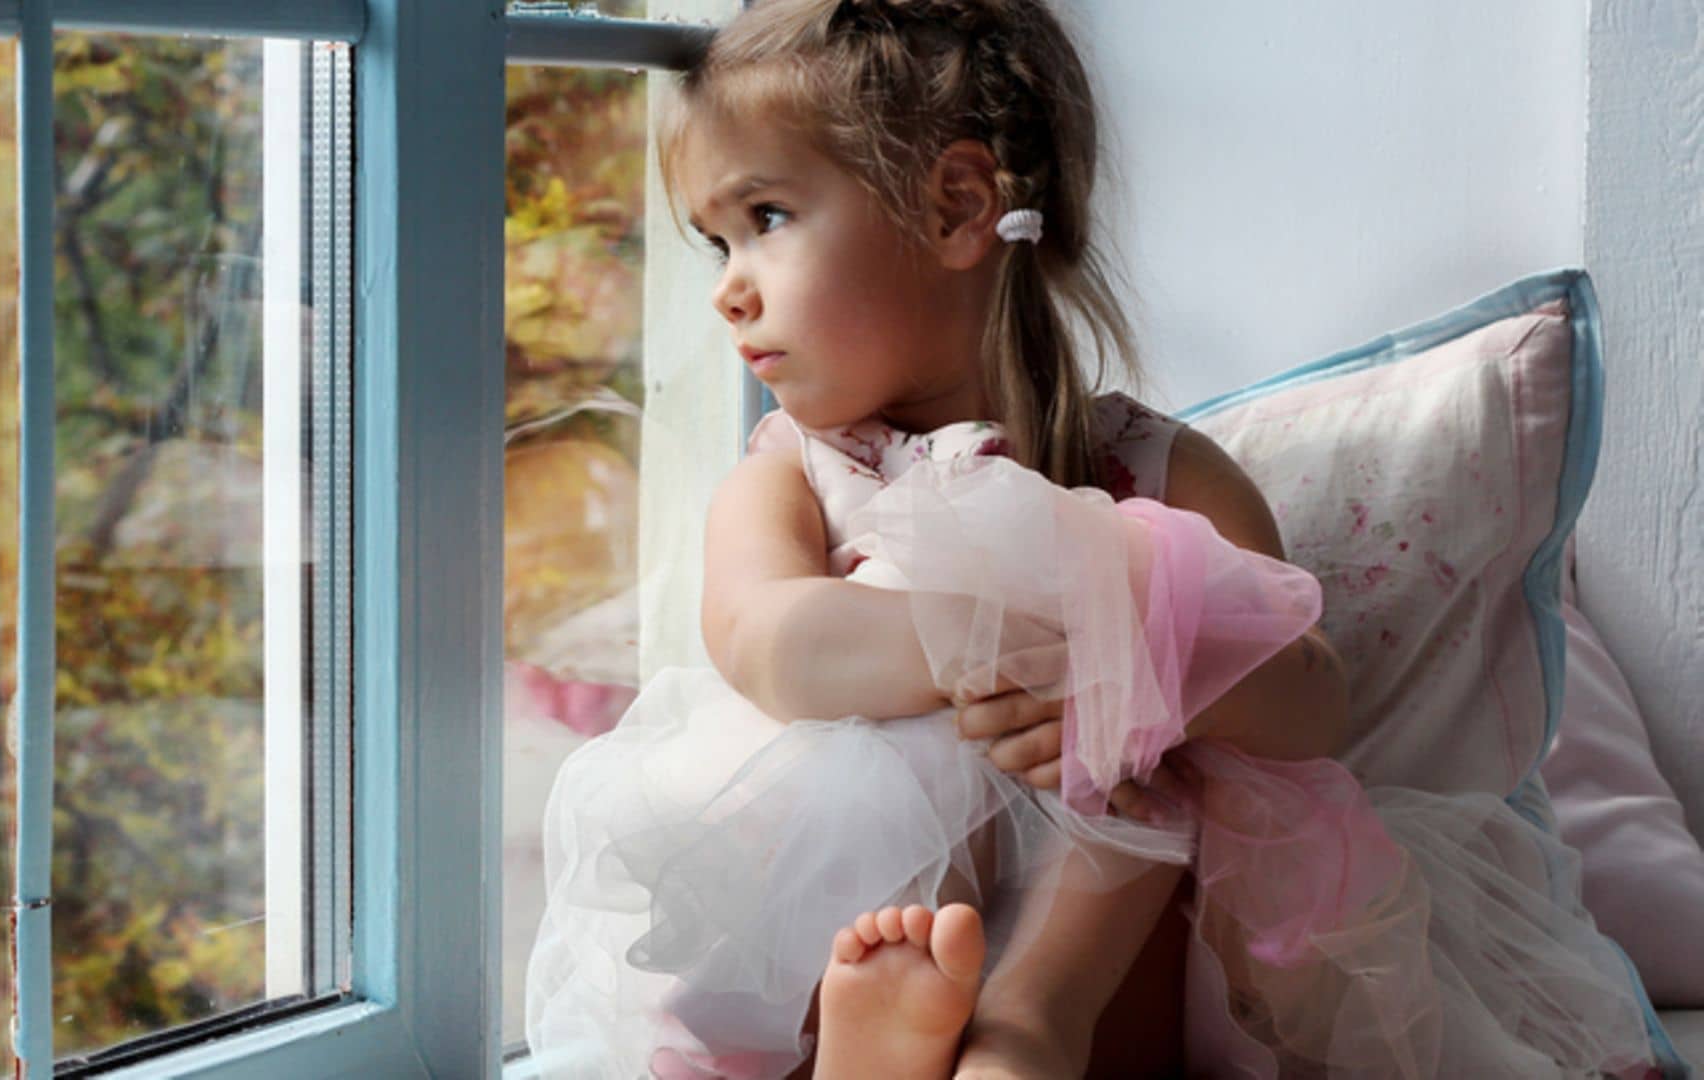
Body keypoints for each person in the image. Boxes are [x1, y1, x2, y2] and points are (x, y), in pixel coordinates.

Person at [524, 0, 1658, 1076]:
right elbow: (768, 641)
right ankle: (879, 1039)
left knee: (1157, 744)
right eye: (715, 243)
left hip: (1124, 980)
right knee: (875, 762)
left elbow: (1313, 694)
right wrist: (999, 637)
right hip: (860, 912)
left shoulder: (1156, 472)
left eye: (765, 220)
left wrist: (1142, 669)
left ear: (958, 208)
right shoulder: (796, 471)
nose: (727, 291)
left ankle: (1028, 1018)